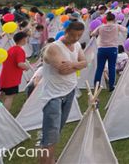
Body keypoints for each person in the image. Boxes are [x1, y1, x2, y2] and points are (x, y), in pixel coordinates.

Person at [39, 22, 87, 164]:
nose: (76, 38)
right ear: (65, 32)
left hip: (69, 92)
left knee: (57, 130)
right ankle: (45, 161)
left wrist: (72, 64)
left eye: (79, 35)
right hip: (53, 96)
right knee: (50, 135)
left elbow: (85, 62)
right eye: (73, 35)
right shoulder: (53, 48)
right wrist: (78, 65)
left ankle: (51, 159)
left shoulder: (77, 46)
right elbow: (63, 70)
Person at [91, 12, 128, 92]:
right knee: (112, 68)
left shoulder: (100, 27)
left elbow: (93, 34)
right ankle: (111, 86)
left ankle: (96, 86)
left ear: (106, 19)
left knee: (99, 68)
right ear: (114, 19)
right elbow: (126, 30)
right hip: (112, 49)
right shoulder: (117, 26)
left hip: (102, 49)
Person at [0, 32, 30, 110]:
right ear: (23, 39)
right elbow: (20, 64)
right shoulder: (20, 50)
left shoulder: (11, 49)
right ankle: (5, 116)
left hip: (5, 77)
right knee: (9, 97)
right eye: (26, 38)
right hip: (12, 79)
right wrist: (27, 67)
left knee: (2, 95)